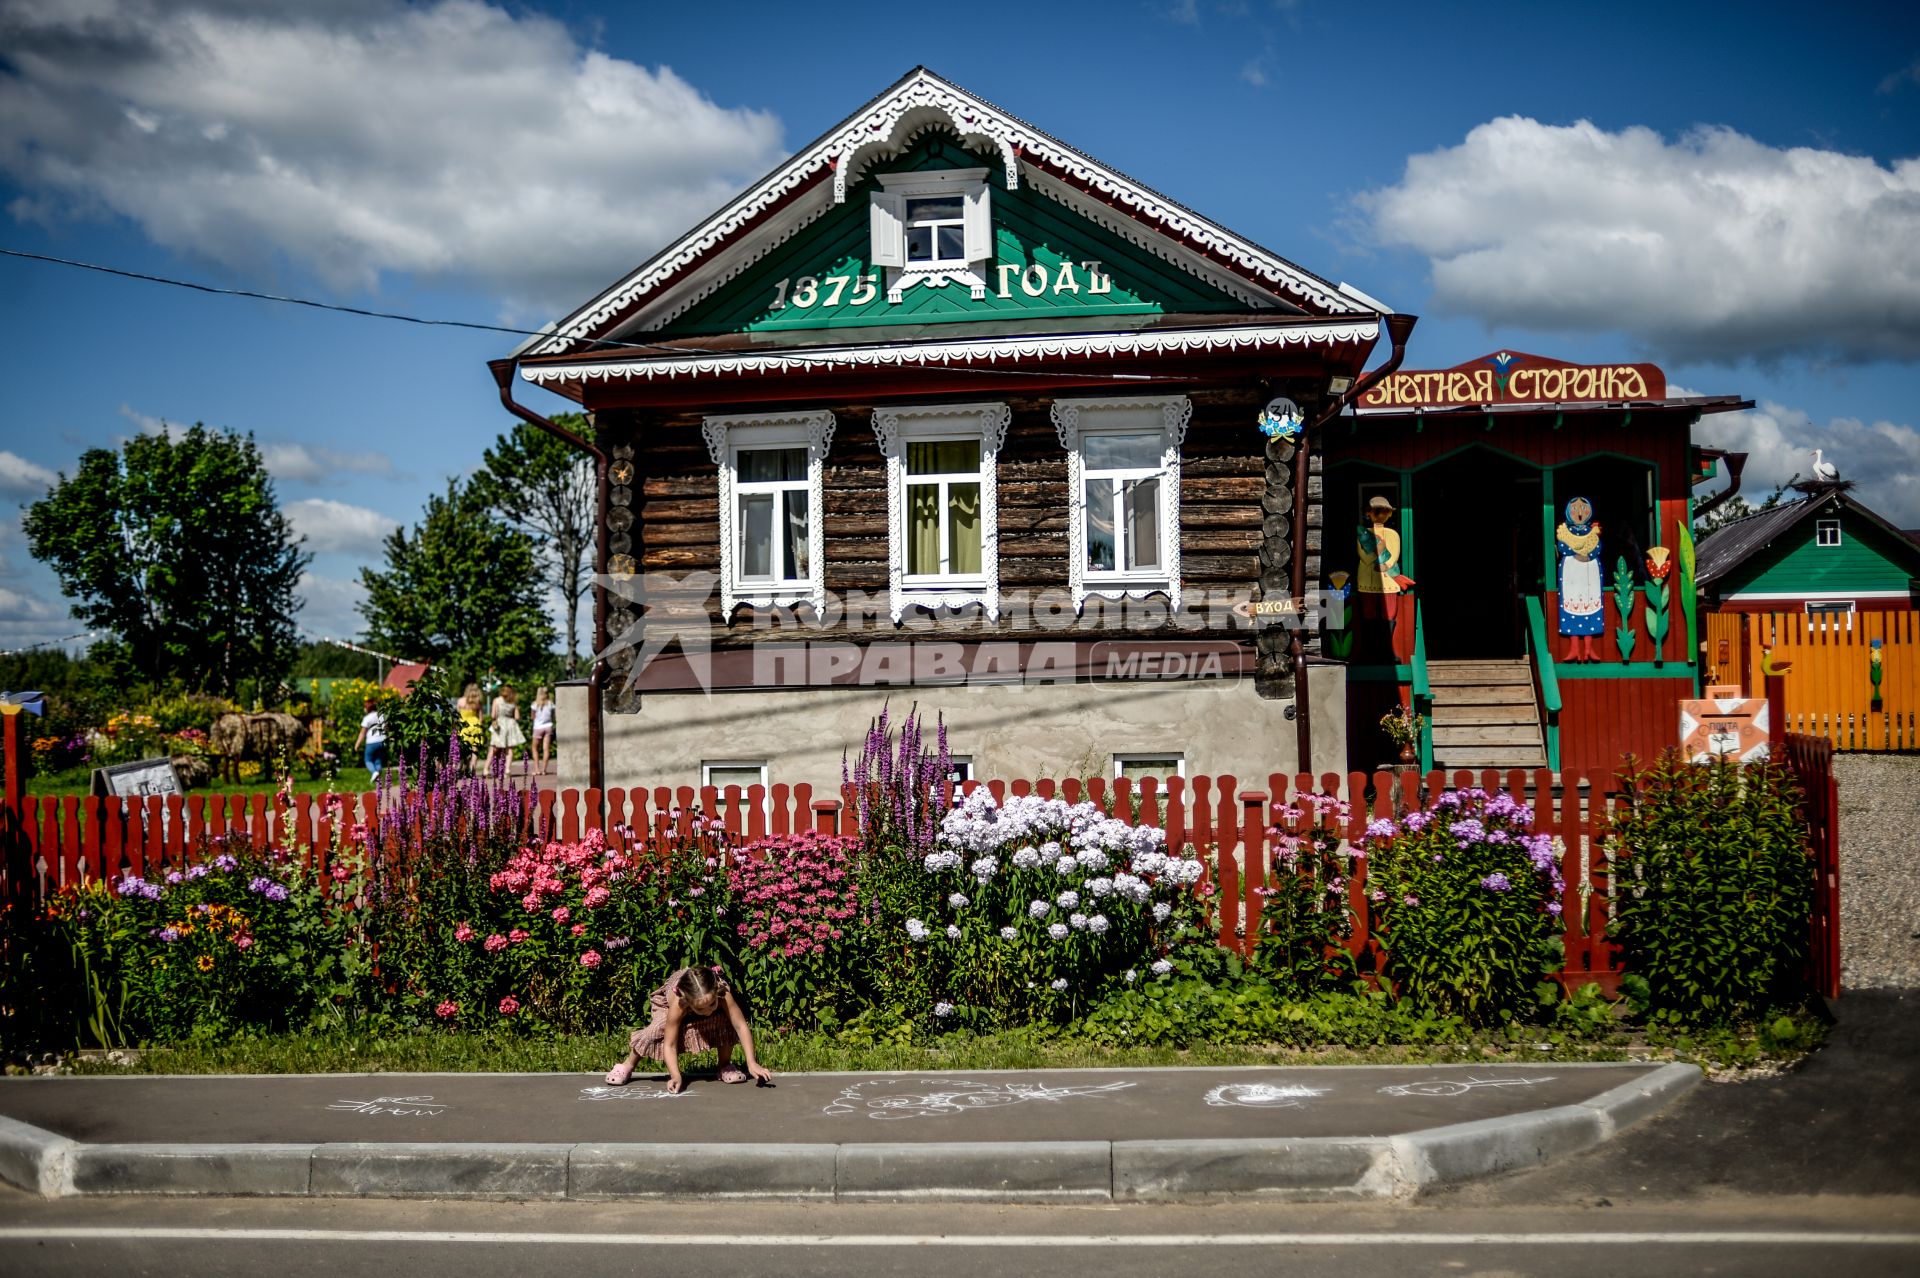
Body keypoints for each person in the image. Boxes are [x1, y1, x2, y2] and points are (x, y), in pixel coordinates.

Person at [604, 965, 773, 1092]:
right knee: (655, 1030)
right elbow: (669, 1044)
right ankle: (628, 1065)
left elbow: (740, 1025)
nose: (708, 1012)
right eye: (701, 1009)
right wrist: (676, 1075)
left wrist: (751, 1063)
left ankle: (724, 1066)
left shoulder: (721, 993)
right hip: (670, 1006)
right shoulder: (679, 1002)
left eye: (712, 1004)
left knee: (726, 1020)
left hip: (698, 999)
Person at [1556, 496, 1604, 663]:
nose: (1579, 513)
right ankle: (1574, 648)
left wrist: (1588, 554)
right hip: (1572, 571)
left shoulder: (1592, 532)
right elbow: (1563, 546)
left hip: (1589, 571)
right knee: (1572, 605)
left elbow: (1597, 546)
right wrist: (1576, 552)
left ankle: (1589, 649)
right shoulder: (1565, 532)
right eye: (1575, 509)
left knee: (1591, 606)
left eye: (1583, 509)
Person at [488, 683, 526, 771]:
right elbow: (517, 717)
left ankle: (487, 768)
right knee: (509, 749)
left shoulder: (496, 700)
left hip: (499, 725)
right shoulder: (513, 702)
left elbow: (493, 715)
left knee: (494, 747)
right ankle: (507, 769)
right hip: (510, 725)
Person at [352, 696, 387, 781]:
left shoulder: (367, 718)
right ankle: (378, 778)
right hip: (382, 741)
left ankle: (374, 772)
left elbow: (362, 733)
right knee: (378, 760)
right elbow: (386, 728)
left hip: (371, 742)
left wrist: (357, 744)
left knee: (368, 760)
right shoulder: (381, 715)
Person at [456, 685, 487, 770]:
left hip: (463, 725)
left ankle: (458, 767)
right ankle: (472, 767)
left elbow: (457, 715)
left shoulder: (460, 701)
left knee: (461, 747)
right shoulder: (477, 702)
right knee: (475, 747)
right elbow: (481, 718)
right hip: (475, 725)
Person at [530, 686, 555, 775]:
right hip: (548, 726)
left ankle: (537, 769)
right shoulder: (550, 704)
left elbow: (532, 717)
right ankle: (544, 770)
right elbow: (553, 716)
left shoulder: (535, 704)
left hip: (538, 727)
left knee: (534, 748)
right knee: (546, 749)